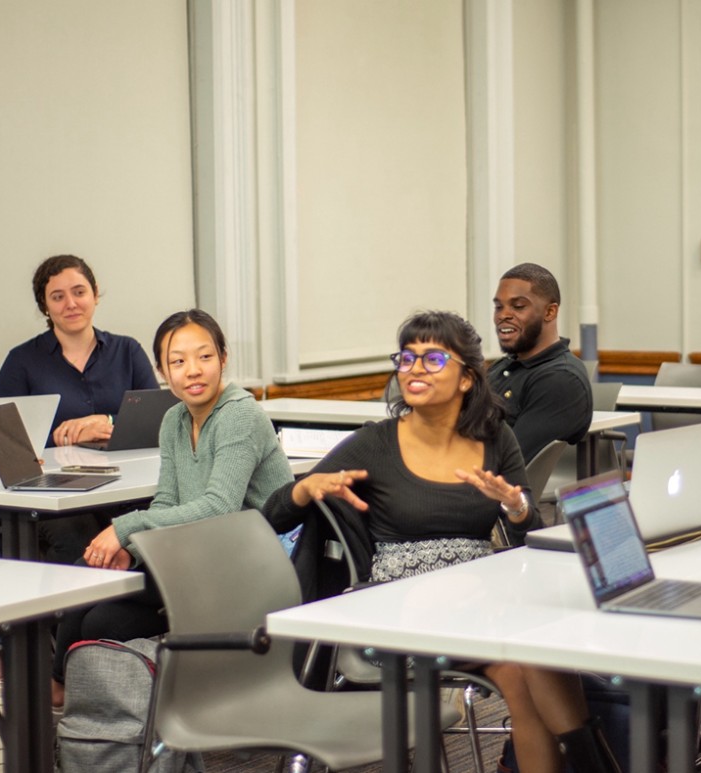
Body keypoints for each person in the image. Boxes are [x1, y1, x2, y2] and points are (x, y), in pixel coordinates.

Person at [263, 310, 620, 773]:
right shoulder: (375, 443)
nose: (414, 369)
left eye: (432, 359)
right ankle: (598, 764)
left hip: (481, 597)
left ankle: (592, 759)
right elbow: (272, 512)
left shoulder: (495, 438)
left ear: (467, 379)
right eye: (407, 358)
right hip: (399, 606)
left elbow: (526, 532)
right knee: (531, 653)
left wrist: (514, 508)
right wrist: (303, 489)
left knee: (533, 664)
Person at [51, 308, 294, 708]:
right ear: (163, 372)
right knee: (88, 591)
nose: (193, 371)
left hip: (247, 569)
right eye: (178, 362)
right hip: (195, 560)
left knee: (96, 613)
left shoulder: (240, 414)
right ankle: (83, 714)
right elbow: (167, 501)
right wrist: (134, 548)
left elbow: (219, 508)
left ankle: (67, 704)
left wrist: (127, 528)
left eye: (204, 357)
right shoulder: (174, 420)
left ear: (223, 358)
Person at [0, 254, 158, 562]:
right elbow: (3, 443)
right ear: (44, 306)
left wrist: (106, 420)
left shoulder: (128, 352)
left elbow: (158, 421)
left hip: (127, 486)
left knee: (156, 531)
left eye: (79, 292)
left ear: (95, 294)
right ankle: (79, 612)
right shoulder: (21, 362)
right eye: (57, 297)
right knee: (77, 539)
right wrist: (55, 438)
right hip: (55, 497)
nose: (70, 303)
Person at [488, 262, 593, 463]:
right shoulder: (504, 366)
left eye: (518, 306)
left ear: (550, 312)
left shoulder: (561, 379)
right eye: (498, 307)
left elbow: (510, 461)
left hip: (501, 489)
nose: (503, 315)